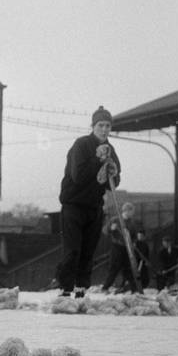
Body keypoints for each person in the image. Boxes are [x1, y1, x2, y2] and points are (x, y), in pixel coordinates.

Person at [56, 106, 120, 298]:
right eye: (101, 125)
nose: (104, 129)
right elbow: (78, 176)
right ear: (93, 126)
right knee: (73, 250)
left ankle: (81, 288)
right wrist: (97, 160)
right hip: (73, 205)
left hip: (94, 207)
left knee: (88, 250)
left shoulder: (110, 150)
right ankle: (65, 287)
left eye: (108, 126)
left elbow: (113, 184)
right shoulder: (81, 145)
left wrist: (113, 172)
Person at [102, 203, 134, 292]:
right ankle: (105, 287)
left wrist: (133, 242)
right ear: (127, 210)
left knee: (128, 268)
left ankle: (127, 287)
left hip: (127, 248)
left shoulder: (131, 222)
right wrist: (111, 229)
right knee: (114, 267)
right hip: (117, 247)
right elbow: (105, 230)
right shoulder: (115, 220)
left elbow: (133, 235)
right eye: (131, 211)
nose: (132, 213)